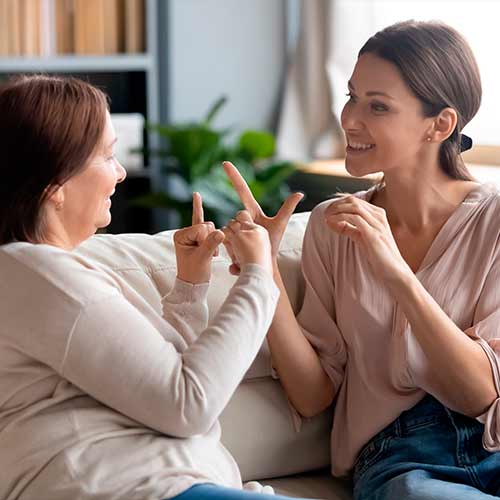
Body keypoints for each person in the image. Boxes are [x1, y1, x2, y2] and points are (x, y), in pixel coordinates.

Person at [0, 75, 313, 500]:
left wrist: (190, 285)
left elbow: (158, 384)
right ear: (55, 186)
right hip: (131, 488)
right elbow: (189, 404)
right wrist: (259, 274)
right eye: (108, 156)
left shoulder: (46, 274)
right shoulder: (36, 274)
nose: (122, 172)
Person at [223, 20, 500, 500]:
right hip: (401, 463)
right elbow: (313, 396)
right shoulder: (334, 227)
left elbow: (480, 394)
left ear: (440, 125)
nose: (350, 118)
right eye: (352, 96)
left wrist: (395, 273)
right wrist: (262, 271)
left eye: (378, 106)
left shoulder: (493, 222)